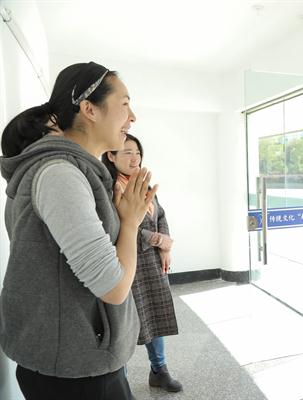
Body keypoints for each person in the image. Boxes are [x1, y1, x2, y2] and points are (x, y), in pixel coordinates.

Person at [0, 61, 157, 400]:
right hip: (74, 370)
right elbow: (113, 287)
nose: (132, 118)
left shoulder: (75, 172)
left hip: (76, 358)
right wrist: (130, 223)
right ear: (89, 109)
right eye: (125, 104)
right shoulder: (59, 175)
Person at [102, 134, 182, 392]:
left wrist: (165, 246)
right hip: (127, 263)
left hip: (152, 263)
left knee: (154, 316)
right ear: (111, 156)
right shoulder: (109, 188)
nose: (134, 157)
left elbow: (161, 215)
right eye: (127, 152)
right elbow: (120, 227)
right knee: (124, 325)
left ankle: (159, 371)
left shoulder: (142, 184)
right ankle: (121, 381)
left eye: (137, 152)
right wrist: (159, 240)